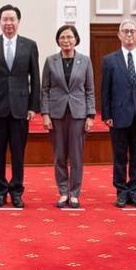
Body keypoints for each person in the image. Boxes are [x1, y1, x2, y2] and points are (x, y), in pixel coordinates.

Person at [0, 4, 40, 209]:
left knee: (18, 152)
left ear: (18, 21)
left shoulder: (30, 45)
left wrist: (33, 107)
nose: (9, 23)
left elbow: (36, 78)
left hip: (21, 107)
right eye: (5, 19)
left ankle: (16, 191)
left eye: (12, 19)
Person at [100, 19, 136, 208]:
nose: (129, 34)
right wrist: (106, 114)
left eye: (133, 31)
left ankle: (134, 191)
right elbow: (105, 90)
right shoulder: (109, 60)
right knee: (119, 157)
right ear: (119, 35)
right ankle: (121, 192)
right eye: (125, 31)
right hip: (118, 116)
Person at [41, 25, 95, 209]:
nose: (66, 40)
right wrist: (45, 114)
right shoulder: (50, 61)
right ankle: (63, 192)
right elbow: (45, 90)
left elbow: (89, 91)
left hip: (78, 114)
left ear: (76, 39)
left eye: (70, 37)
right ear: (58, 40)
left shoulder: (85, 61)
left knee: (77, 156)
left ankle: (75, 194)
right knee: (59, 155)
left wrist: (90, 115)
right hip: (56, 114)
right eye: (62, 37)